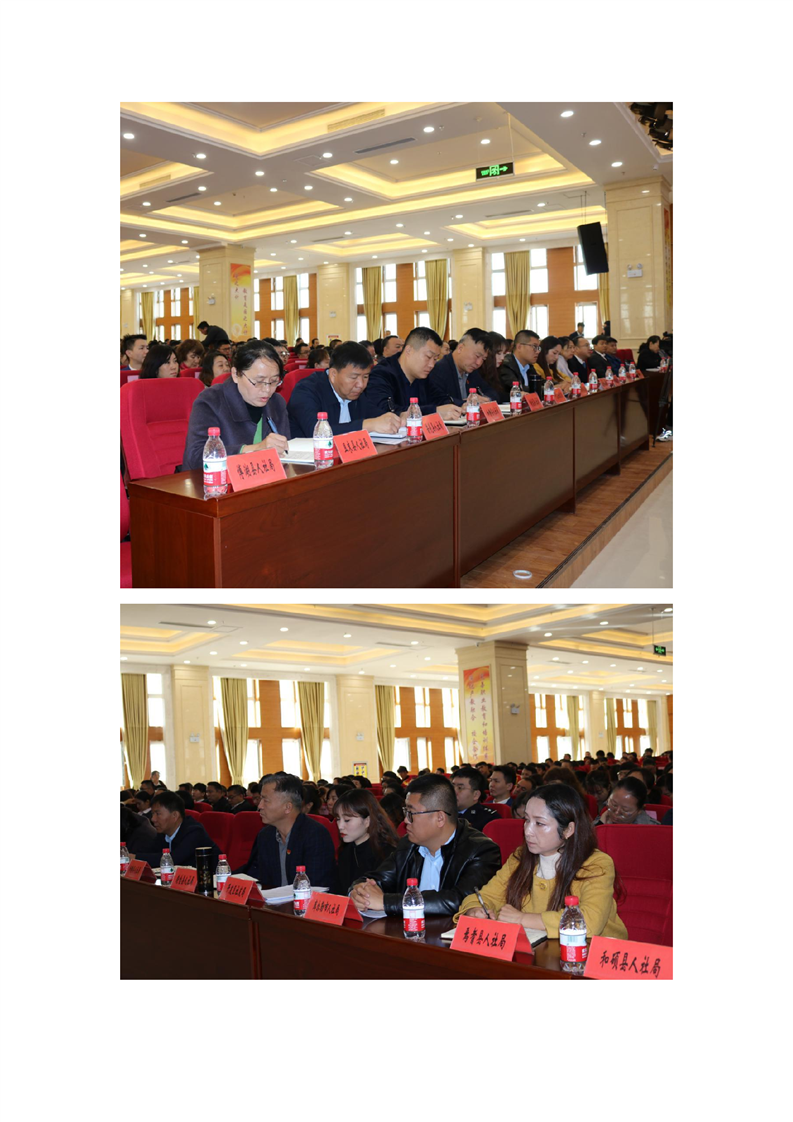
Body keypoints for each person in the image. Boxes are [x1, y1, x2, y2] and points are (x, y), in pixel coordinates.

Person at [455, 784, 628, 939]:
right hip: (540, 951)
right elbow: (486, 896)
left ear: (568, 830)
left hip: (591, 953)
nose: (527, 831)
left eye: (539, 823)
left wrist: (522, 918)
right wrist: (474, 910)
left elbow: (589, 922)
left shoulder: (596, 864)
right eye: (526, 820)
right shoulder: (520, 857)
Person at [349, 774, 501, 917]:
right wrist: (359, 891)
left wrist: (386, 902)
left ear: (439, 818)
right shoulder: (409, 844)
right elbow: (376, 878)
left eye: (411, 813)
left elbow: (460, 900)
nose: (405, 820)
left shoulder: (481, 850)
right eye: (405, 812)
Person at [182, 340, 290, 469]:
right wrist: (253, 449)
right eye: (259, 381)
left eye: (273, 381)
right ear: (235, 374)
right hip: (217, 479)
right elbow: (196, 456)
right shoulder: (210, 401)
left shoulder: (277, 402)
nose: (267, 390)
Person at [234, 773, 336, 886]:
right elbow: (255, 873)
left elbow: (317, 885)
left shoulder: (315, 835)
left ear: (288, 807)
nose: (260, 806)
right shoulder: (265, 835)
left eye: (265, 800)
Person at [287, 340, 400, 438]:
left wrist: (398, 417)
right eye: (354, 377)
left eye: (365, 377)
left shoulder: (356, 392)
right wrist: (367, 425)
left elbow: (376, 415)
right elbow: (315, 432)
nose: (361, 384)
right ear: (333, 375)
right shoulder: (306, 391)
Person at [366, 326, 463, 421]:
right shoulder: (381, 374)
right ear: (409, 350)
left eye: (435, 359)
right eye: (428, 357)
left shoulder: (422, 376)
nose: (432, 365)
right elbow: (385, 412)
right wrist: (434, 411)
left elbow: (439, 398)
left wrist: (462, 406)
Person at [333, 788, 399, 895]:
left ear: (367, 821)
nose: (340, 826)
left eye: (347, 820)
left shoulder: (387, 855)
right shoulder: (345, 851)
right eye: (338, 819)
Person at [134, 791, 221, 872]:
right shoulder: (163, 832)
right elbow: (148, 851)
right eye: (152, 814)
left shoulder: (194, 831)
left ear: (175, 815)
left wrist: (135, 857)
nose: (153, 819)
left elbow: (174, 859)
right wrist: (132, 856)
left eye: (158, 814)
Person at [427, 328, 496, 406]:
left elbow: (492, 392)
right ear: (460, 348)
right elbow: (440, 401)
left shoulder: (472, 371)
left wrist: (486, 399)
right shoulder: (439, 370)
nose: (479, 363)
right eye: (477, 356)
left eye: (483, 359)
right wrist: (468, 403)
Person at [593, 777, 660, 825]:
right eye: (614, 805)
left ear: (639, 810)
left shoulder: (653, 829)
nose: (617, 812)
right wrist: (601, 826)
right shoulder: (600, 820)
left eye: (625, 810)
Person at [452, 765, 498, 832]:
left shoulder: (488, 819)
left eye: (460, 788)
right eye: (452, 786)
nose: (453, 791)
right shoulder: (443, 813)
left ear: (476, 795)